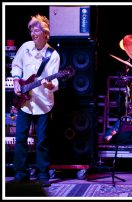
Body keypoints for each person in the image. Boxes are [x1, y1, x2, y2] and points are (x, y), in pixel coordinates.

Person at [10, 14, 60, 187]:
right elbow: (16, 66)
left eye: (36, 30)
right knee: (21, 138)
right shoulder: (25, 47)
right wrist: (16, 81)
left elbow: (54, 82)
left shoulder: (53, 55)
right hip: (24, 101)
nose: (33, 33)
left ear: (45, 33)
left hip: (43, 103)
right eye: (31, 29)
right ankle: (20, 173)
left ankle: (43, 174)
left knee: (42, 140)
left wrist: (48, 85)